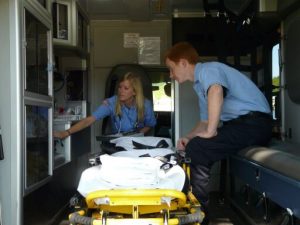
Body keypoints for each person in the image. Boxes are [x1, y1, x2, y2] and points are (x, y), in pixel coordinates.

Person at [165, 42, 272, 216]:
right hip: (241, 126)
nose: (171, 75)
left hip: (255, 124)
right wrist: (189, 137)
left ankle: (198, 213)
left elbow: (216, 90)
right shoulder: (199, 85)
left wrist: (211, 132)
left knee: (199, 148)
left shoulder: (208, 70)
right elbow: (205, 121)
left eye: (171, 69)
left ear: (183, 63)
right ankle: (192, 203)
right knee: (192, 146)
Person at [54, 72, 156, 139]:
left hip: (137, 141)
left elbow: (150, 125)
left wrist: (136, 136)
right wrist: (66, 133)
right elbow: (89, 120)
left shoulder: (145, 105)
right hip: (118, 142)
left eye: (126, 88)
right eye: (120, 87)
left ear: (134, 92)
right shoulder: (112, 103)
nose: (121, 91)